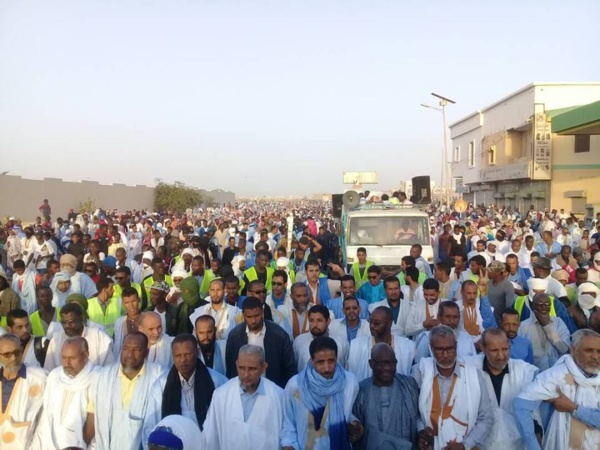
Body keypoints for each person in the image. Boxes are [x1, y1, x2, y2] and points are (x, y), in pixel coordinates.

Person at [514, 329, 600, 450]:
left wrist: (573, 408)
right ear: (574, 350)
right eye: (589, 350)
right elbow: (520, 404)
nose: (595, 357)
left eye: (599, 351)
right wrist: (533, 446)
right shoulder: (557, 376)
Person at [413, 325, 494, 450]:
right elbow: (412, 412)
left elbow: (486, 417)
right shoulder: (421, 372)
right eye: (439, 350)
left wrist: (464, 445)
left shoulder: (473, 375)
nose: (445, 355)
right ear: (431, 348)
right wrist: (421, 431)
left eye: (450, 349)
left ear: (456, 346)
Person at [144, 334, 227, 443]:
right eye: (178, 356)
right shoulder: (161, 385)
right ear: (172, 356)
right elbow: (150, 425)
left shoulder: (217, 381)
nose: (183, 360)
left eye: (187, 354)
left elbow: (227, 420)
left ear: (197, 353)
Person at [463, 328, 538, 449]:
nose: (501, 356)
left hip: (516, 445)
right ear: (482, 348)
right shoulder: (468, 368)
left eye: (505, 349)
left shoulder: (523, 370)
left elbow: (545, 381)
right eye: (494, 350)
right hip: (480, 444)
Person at [87, 332, 163, 450]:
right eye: (126, 348)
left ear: (146, 353)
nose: (130, 354)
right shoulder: (102, 377)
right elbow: (92, 414)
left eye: (136, 349)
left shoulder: (159, 377)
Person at [281, 336, 359, 450]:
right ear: (312, 361)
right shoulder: (295, 385)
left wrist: (355, 423)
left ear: (337, 358)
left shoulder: (350, 382)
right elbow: (288, 423)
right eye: (320, 362)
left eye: (331, 361)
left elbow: (352, 413)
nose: (326, 368)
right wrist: (289, 445)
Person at [203, 344, 285, 449]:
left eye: (252, 369)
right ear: (236, 364)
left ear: (263, 367)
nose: (246, 374)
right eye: (242, 368)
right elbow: (210, 437)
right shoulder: (221, 395)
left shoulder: (278, 396)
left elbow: (286, 436)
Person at [351, 342, 421, 449]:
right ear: (371, 364)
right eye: (382, 363)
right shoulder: (361, 390)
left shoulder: (409, 386)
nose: (387, 367)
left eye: (392, 363)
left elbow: (418, 419)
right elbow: (355, 426)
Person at [32, 337, 94, 450]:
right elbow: (46, 415)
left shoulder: (95, 379)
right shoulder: (54, 376)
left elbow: (97, 426)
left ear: (85, 356)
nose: (67, 363)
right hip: (49, 444)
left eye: (72, 358)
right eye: (63, 357)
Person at [226, 296, 297, 388]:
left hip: (273, 389)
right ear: (243, 315)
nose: (253, 320)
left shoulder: (279, 335)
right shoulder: (235, 336)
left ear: (262, 313)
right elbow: (231, 367)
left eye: (256, 316)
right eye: (249, 317)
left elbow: (289, 368)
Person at [0, 333, 47, 449]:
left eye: (17, 352)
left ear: (22, 350)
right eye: (7, 355)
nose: (13, 358)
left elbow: (45, 419)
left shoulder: (40, 378)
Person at [348, 306, 415, 381]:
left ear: (389, 324)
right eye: (370, 322)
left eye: (377, 323)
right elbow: (352, 378)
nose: (372, 326)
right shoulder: (357, 346)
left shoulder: (407, 347)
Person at [44, 302, 115, 371]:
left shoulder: (99, 337)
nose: (67, 326)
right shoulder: (56, 340)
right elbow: (49, 370)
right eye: (64, 322)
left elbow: (110, 369)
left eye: (71, 322)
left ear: (81, 319)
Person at [518, 292, 571, 370]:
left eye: (547, 304)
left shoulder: (558, 322)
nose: (544, 307)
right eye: (540, 304)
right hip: (533, 373)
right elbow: (522, 355)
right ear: (533, 306)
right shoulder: (523, 326)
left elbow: (564, 349)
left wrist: (547, 326)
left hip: (556, 371)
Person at [294, 305, 349, 371]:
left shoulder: (341, 342)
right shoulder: (299, 342)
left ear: (328, 321)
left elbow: (346, 368)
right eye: (311, 320)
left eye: (319, 320)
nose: (315, 325)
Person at [113, 287, 142, 357]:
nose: (131, 306)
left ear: (139, 300)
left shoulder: (147, 319)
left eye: (133, 301)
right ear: (123, 303)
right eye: (127, 303)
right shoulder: (119, 322)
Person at [486, 260, 516, 324]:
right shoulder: (488, 283)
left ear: (497, 272)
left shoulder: (508, 286)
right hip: (487, 319)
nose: (487, 272)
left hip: (499, 322)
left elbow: (509, 307)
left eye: (490, 271)